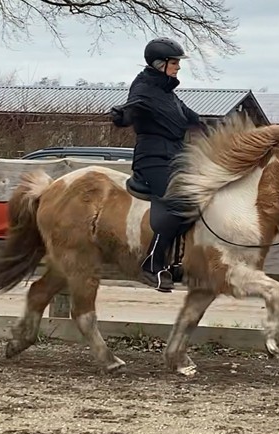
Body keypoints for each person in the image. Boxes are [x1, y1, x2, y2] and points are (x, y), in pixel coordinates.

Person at [110, 37, 204, 292]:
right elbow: (133, 108)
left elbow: (194, 121)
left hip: (174, 157)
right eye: (174, 62)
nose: (178, 67)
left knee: (200, 200)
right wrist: (121, 116)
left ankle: (177, 262)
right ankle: (151, 265)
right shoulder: (143, 88)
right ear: (159, 64)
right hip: (152, 159)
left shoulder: (168, 94)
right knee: (180, 203)